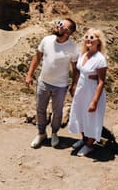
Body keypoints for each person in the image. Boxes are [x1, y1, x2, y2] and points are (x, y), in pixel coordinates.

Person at [25, 18, 80, 148]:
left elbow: (76, 69)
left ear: (68, 31)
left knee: (58, 111)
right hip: (43, 82)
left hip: (60, 86)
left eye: (61, 25)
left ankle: (54, 133)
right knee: (40, 109)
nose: (57, 25)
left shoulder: (73, 47)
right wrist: (29, 75)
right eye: (58, 23)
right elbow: (37, 57)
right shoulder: (47, 40)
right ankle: (41, 133)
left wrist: (74, 85)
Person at [68, 28, 108, 157]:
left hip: (92, 90)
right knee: (80, 114)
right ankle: (84, 139)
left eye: (92, 38)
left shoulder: (100, 59)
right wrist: (74, 85)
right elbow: (78, 72)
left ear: (98, 41)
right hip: (81, 89)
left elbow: (101, 81)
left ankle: (89, 145)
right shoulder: (83, 55)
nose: (88, 40)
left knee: (91, 117)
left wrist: (94, 101)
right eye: (87, 37)